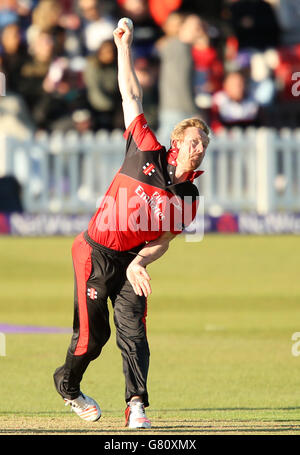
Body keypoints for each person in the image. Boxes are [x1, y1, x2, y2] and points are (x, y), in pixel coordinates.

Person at [53, 21, 210, 429]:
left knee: (134, 335)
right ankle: (68, 388)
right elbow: (131, 93)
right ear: (176, 143)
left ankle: (136, 405)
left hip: (130, 262)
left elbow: (163, 241)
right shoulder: (144, 147)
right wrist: (124, 47)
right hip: (93, 250)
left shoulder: (190, 198)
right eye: (194, 141)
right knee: (92, 340)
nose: (199, 148)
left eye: (204, 145)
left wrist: (141, 262)